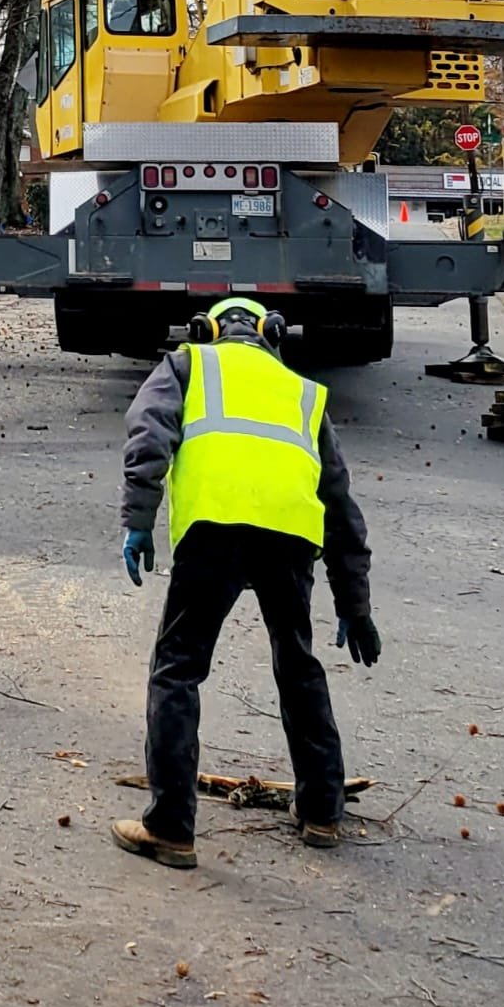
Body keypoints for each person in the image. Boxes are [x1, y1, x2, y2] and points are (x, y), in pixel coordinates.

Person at [112, 296, 379, 869]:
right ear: (271, 334)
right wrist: (354, 602)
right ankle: (322, 811)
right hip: (291, 537)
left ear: (207, 330)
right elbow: (339, 503)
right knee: (298, 663)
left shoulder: (187, 363)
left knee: (177, 670)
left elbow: (149, 437)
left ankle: (171, 829)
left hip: (213, 528)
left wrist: (138, 521)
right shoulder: (303, 392)